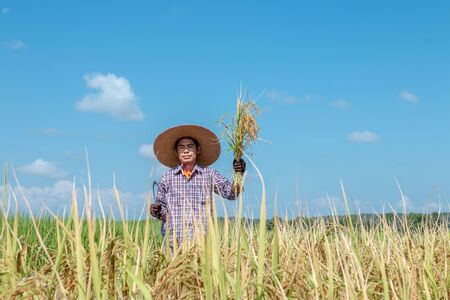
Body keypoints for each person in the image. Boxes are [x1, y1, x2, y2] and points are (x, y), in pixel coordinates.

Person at [150, 124, 246, 243]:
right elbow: (161, 208)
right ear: (176, 152)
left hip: (202, 241)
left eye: (190, 147)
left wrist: (239, 174)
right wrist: (156, 209)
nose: (186, 150)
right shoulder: (167, 178)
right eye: (181, 147)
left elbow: (230, 193)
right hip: (173, 241)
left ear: (198, 150)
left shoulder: (209, 174)